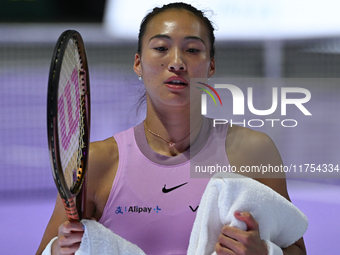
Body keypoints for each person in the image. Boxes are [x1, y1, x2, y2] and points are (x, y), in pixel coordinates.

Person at [36, 2, 306, 255]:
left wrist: (265, 252)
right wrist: (59, 251)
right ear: (138, 63)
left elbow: (296, 248)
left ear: (210, 64)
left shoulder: (255, 152)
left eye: (192, 50)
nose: (176, 62)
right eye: (161, 48)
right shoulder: (96, 164)